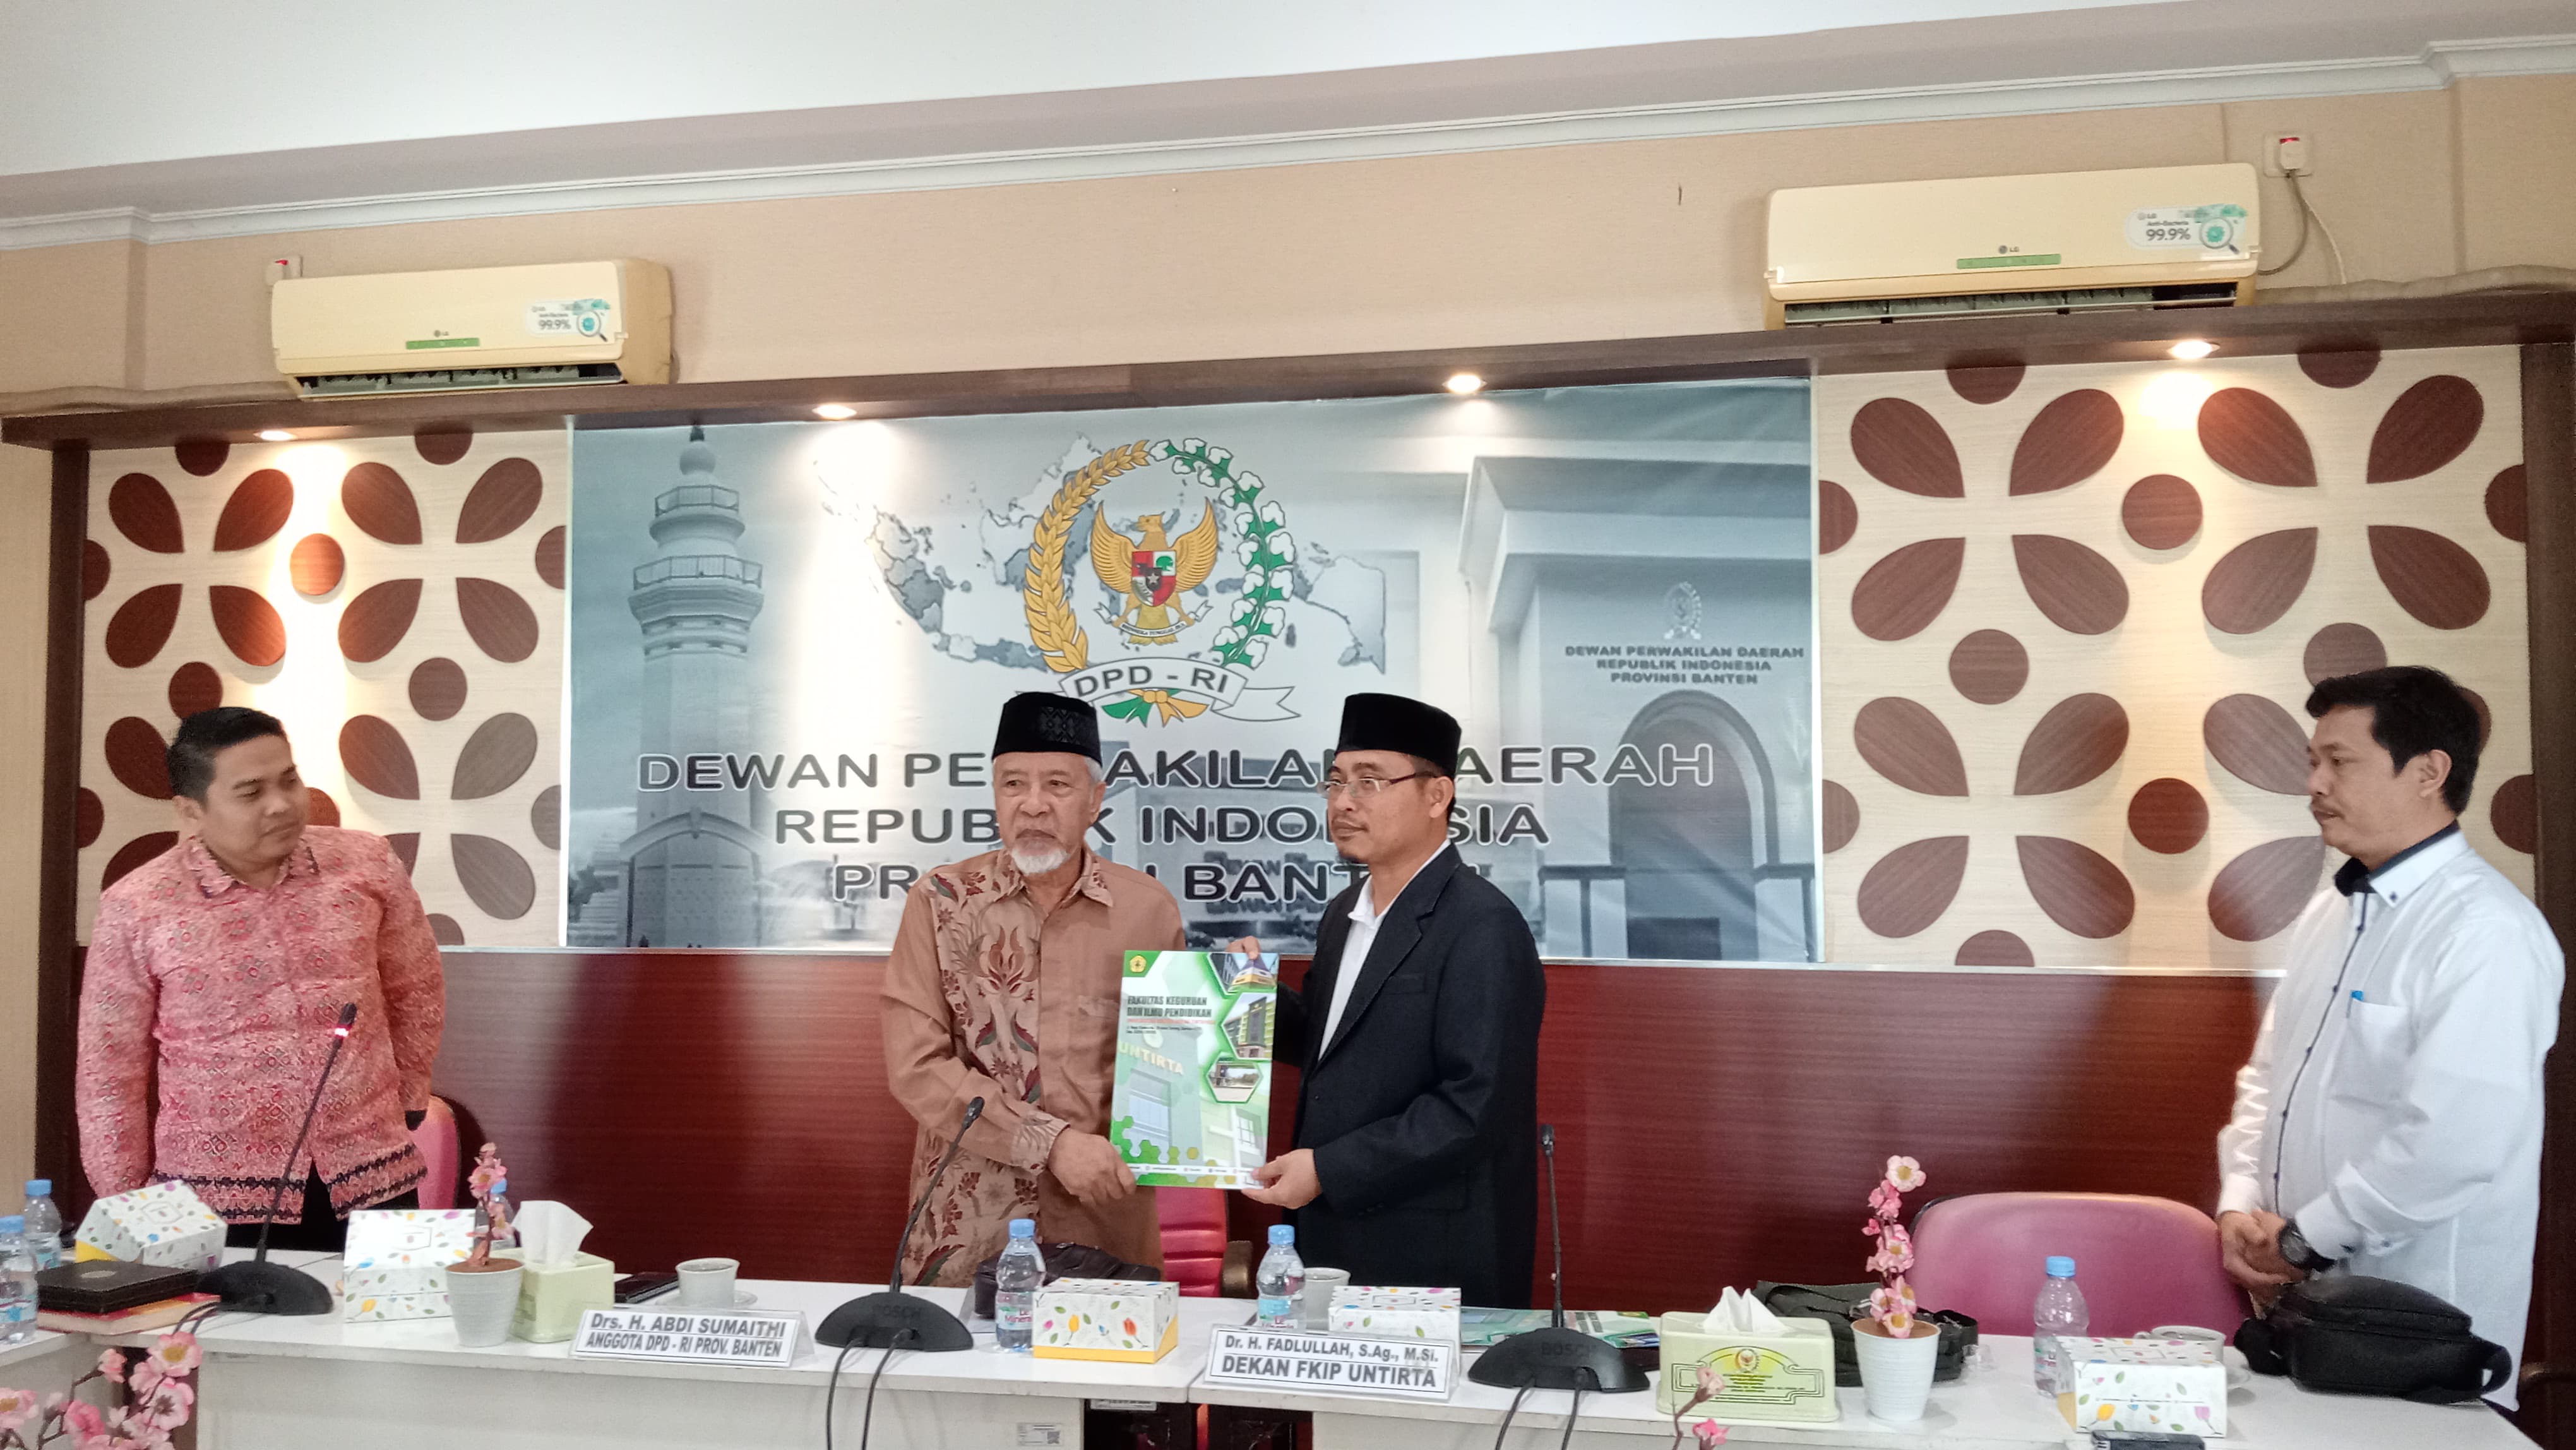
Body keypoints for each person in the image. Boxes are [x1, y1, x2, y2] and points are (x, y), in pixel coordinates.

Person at [2215, 666, 2561, 1407]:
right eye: (2313, 760)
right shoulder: (2328, 914)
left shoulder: (2487, 932)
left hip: (2421, 1329)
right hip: (2301, 1313)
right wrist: (2240, 1202)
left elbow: (2452, 1143)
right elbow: (2268, 1080)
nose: (2314, 783)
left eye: (2339, 761)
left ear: (2429, 772)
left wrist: (2306, 1239)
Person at [76, 707, 446, 1252]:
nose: (281, 804)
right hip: (210, 1198)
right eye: (251, 793)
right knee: (226, 1315)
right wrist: (126, 1202)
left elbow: (416, 987)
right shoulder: (137, 907)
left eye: (289, 781)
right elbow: (108, 1068)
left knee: (388, 1312)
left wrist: (412, 1089)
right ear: (191, 810)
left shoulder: (366, 863)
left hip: (372, 1171)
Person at [1244, 693, 1547, 1307]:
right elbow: (1334, 1046)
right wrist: (1250, 997)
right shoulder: (1343, 914)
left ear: (1437, 796)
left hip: (1428, 1250)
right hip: (1334, 1237)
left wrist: (1328, 1170)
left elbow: (1474, 1107)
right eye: (1336, 781)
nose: (1344, 802)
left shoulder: (1482, 924)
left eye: (1370, 781)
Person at [881, 692, 1185, 1286]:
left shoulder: (1148, 910)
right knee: (960, 1351)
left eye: (1058, 785)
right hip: (969, 1223)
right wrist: (1053, 1145)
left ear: (1095, 800)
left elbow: (1175, 1067)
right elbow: (916, 1067)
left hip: (1102, 1218)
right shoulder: (941, 902)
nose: (1033, 805)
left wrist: (1236, 995)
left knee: (1108, 1350)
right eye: (1013, 784)